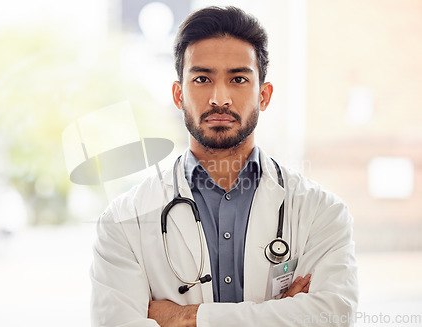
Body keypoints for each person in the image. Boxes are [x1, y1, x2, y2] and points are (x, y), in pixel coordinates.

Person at [90, 6, 358, 327]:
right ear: (178, 94)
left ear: (264, 95)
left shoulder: (321, 213)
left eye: (238, 79)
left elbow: (334, 317)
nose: (220, 98)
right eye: (202, 78)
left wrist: (186, 318)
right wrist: (280, 315)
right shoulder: (122, 223)